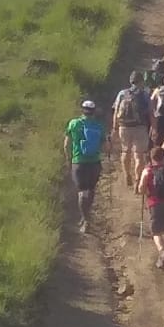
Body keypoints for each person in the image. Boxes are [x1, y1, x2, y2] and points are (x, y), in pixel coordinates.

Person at [63, 98, 106, 233]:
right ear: (94, 111)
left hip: (79, 162)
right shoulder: (99, 126)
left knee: (82, 191)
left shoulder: (74, 123)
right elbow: (105, 145)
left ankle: (85, 219)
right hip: (94, 163)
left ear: (82, 110)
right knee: (91, 189)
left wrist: (68, 159)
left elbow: (66, 144)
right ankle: (87, 216)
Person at [138, 144, 164, 270]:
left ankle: (162, 251)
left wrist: (146, 191)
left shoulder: (147, 171)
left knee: (156, 231)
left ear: (151, 157)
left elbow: (141, 189)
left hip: (155, 203)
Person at [111, 71, 151, 189]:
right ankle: (138, 181)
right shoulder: (144, 94)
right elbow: (151, 113)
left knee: (125, 151)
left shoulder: (122, 93)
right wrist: (153, 127)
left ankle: (127, 174)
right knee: (139, 155)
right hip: (140, 127)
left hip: (124, 126)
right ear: (141, 81)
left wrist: (115, 127)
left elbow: (116, 111)